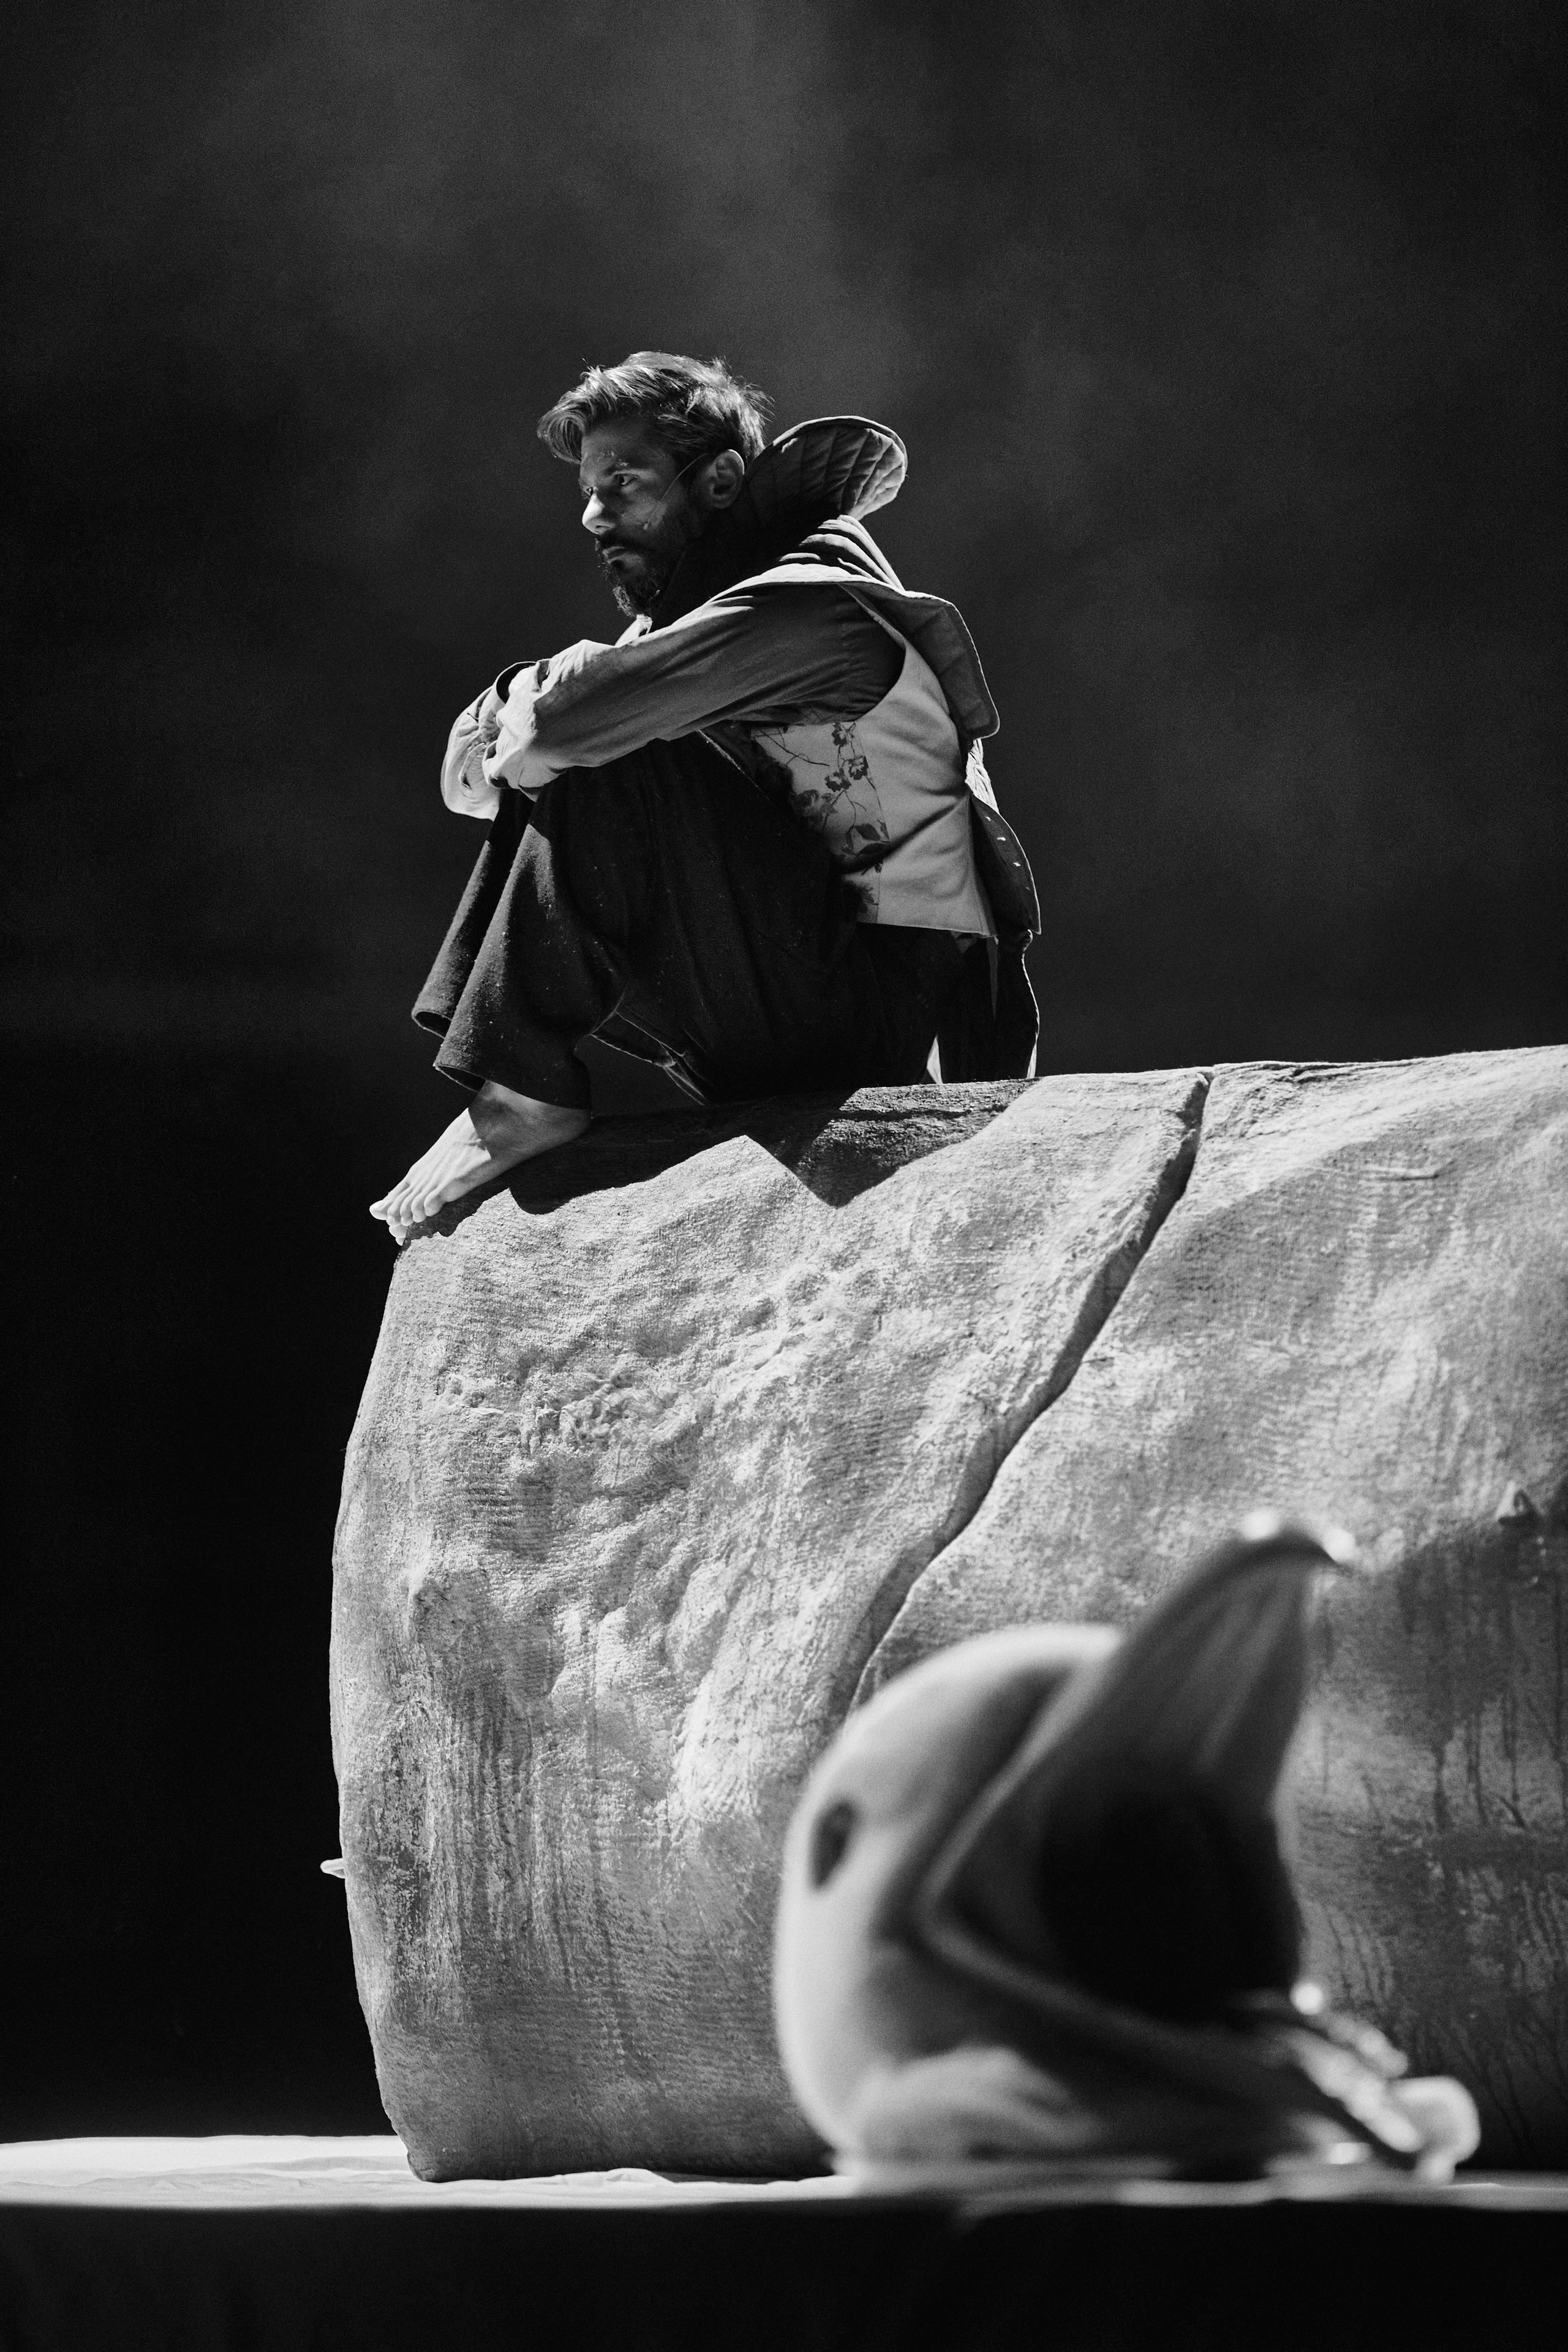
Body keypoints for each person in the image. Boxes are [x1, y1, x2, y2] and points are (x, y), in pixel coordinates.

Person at [371, 352, 1039, 1243]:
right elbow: (469, 782)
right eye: (588, 488)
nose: (593, 515)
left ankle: (521, 1094)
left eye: (624, 483)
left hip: (897, 1015)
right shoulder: (692, 633)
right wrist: (545, 690)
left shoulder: (814, 611)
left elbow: (554, 740)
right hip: (811, 995)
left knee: (616, 753)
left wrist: (557, 696)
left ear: (721, 480)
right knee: (608, 746)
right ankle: (514, 1076)